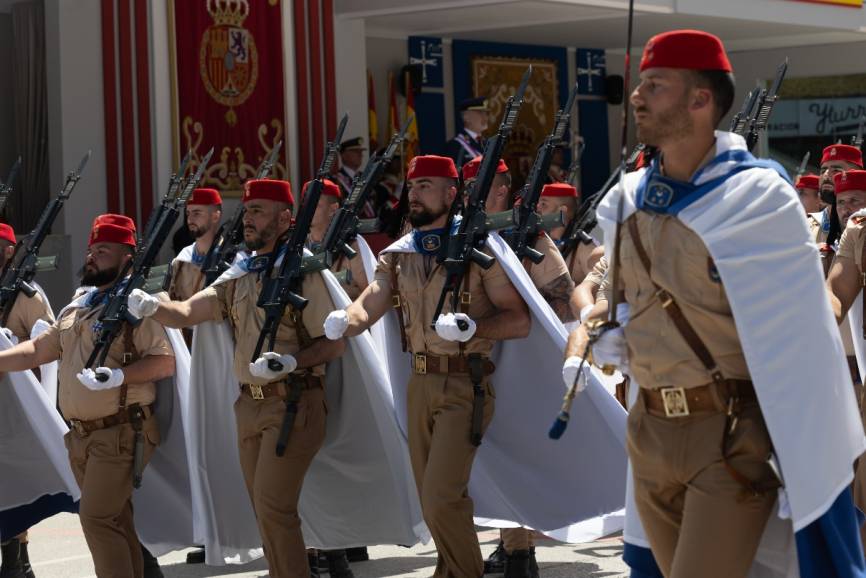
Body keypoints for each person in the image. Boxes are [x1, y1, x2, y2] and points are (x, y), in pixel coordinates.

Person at [567, 29, 865, 577]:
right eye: (640, 83)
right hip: (650, 432)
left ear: (701, 101)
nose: (637, 96)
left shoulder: (758, 198)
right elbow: (615, 298)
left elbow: (802, 331)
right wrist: (610, 329)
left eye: (656, 86)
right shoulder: (627, 201)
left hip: (728, 435)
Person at [126, 179, 347, 578]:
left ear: (285, 218)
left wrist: (292, 363)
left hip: (294, 402)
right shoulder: (240, 272)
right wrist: (152, 305)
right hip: (249, 405)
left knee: (274, 506)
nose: (248, 219)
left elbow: (333, 345)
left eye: (258, 210)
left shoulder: (303, 272)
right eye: (246, 210)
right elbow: (188, 312)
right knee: (263, 511)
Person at [323, 155, 532, 577]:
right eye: (412, 186)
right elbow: (374, 298)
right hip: (419, 385)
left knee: (442, 495)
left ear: (451, 194)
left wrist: (473, 327)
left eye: (425, 186)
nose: (413, 194)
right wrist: (348, 320)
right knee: (429, 497)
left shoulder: (478, 248)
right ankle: (450, 568)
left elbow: (519, 320)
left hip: (463, 385)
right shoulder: (400, 253)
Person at [0, 216, 176, 578]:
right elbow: (36, 351)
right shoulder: (80, 303)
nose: (93, 256)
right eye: (92, 249)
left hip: (121, 431)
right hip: (81, 436)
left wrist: (120, 376)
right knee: (117, 520)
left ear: (128, 256)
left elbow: (164, 362)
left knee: (96, 518)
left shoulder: (138, 304)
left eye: (103, 250)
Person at [0, 222, 55, 578]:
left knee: (17, 480)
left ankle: (17, 558)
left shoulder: (27, 294)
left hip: (15, 403)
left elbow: (46, 339)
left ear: (9, 250)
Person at [305, 178, 369, 301]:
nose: (308, 209)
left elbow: (370, 291)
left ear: (333, 209)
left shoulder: (351, 245)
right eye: (306, 204)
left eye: (315, 205)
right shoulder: (299, 247)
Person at [536, 182, 604, 285]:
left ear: (562, 211)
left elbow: (603, 291)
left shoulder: (583, 248)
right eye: (538, 203)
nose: (537, 208)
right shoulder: (541, 243)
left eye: (544, 204)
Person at [168, 188, 223, 302]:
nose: (190, 219)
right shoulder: (181, 260)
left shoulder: (230, 259)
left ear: (215, 217)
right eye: (188, 213)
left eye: (197, 213)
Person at [444, 97, 490, 169]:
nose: (485, 117)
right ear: (466, 117)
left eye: (486, 113)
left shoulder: (488, 144)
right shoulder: (455, 146)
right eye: (480, 113)